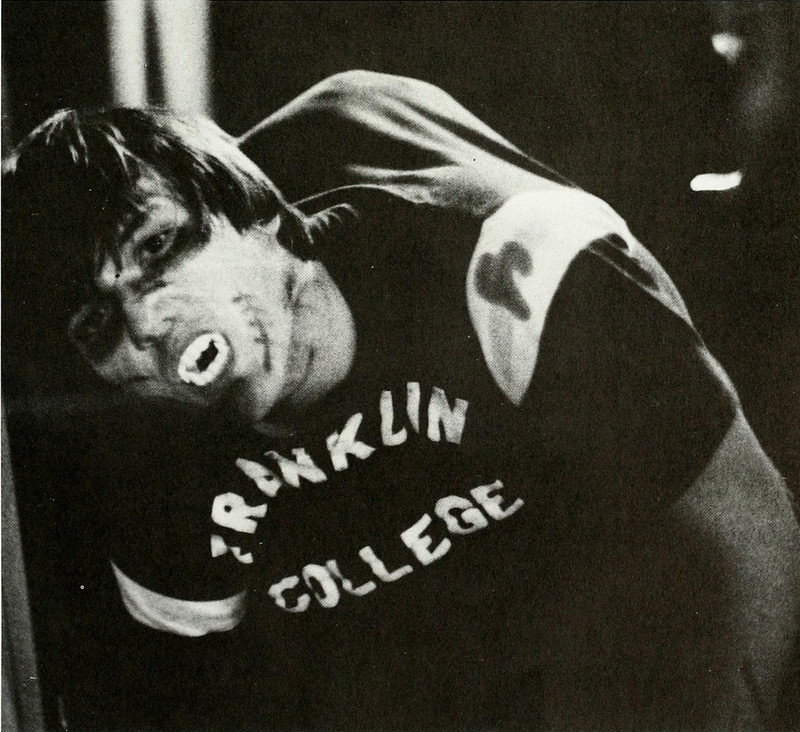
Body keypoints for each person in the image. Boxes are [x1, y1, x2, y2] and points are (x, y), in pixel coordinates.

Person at [3, 70, 798, 731]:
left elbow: (743, 534)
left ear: (265, 217)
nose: (147, 321)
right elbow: (185, 705)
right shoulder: (142, 453)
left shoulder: (507, 270)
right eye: (97, 322)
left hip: (590, 523)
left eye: (158, 246)